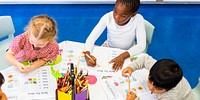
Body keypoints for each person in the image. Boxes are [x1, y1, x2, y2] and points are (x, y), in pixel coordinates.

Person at [84, 0, 146, 71]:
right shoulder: (107, 17)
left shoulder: (138, 19)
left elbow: (141, 45)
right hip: (109, 47)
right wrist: (87, 54)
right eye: (115, 11)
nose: (116, 17)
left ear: (133, 14)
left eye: (123, 16)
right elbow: (91, 38)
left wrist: (123, 56)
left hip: (128, 51)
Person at [122, 53, 196, 100]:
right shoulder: (157, 69)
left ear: (168, 89)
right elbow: (144, 59)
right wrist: (132, 67)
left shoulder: (172, 96)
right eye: (150, 82)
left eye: (156, 89)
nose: (150, 88)